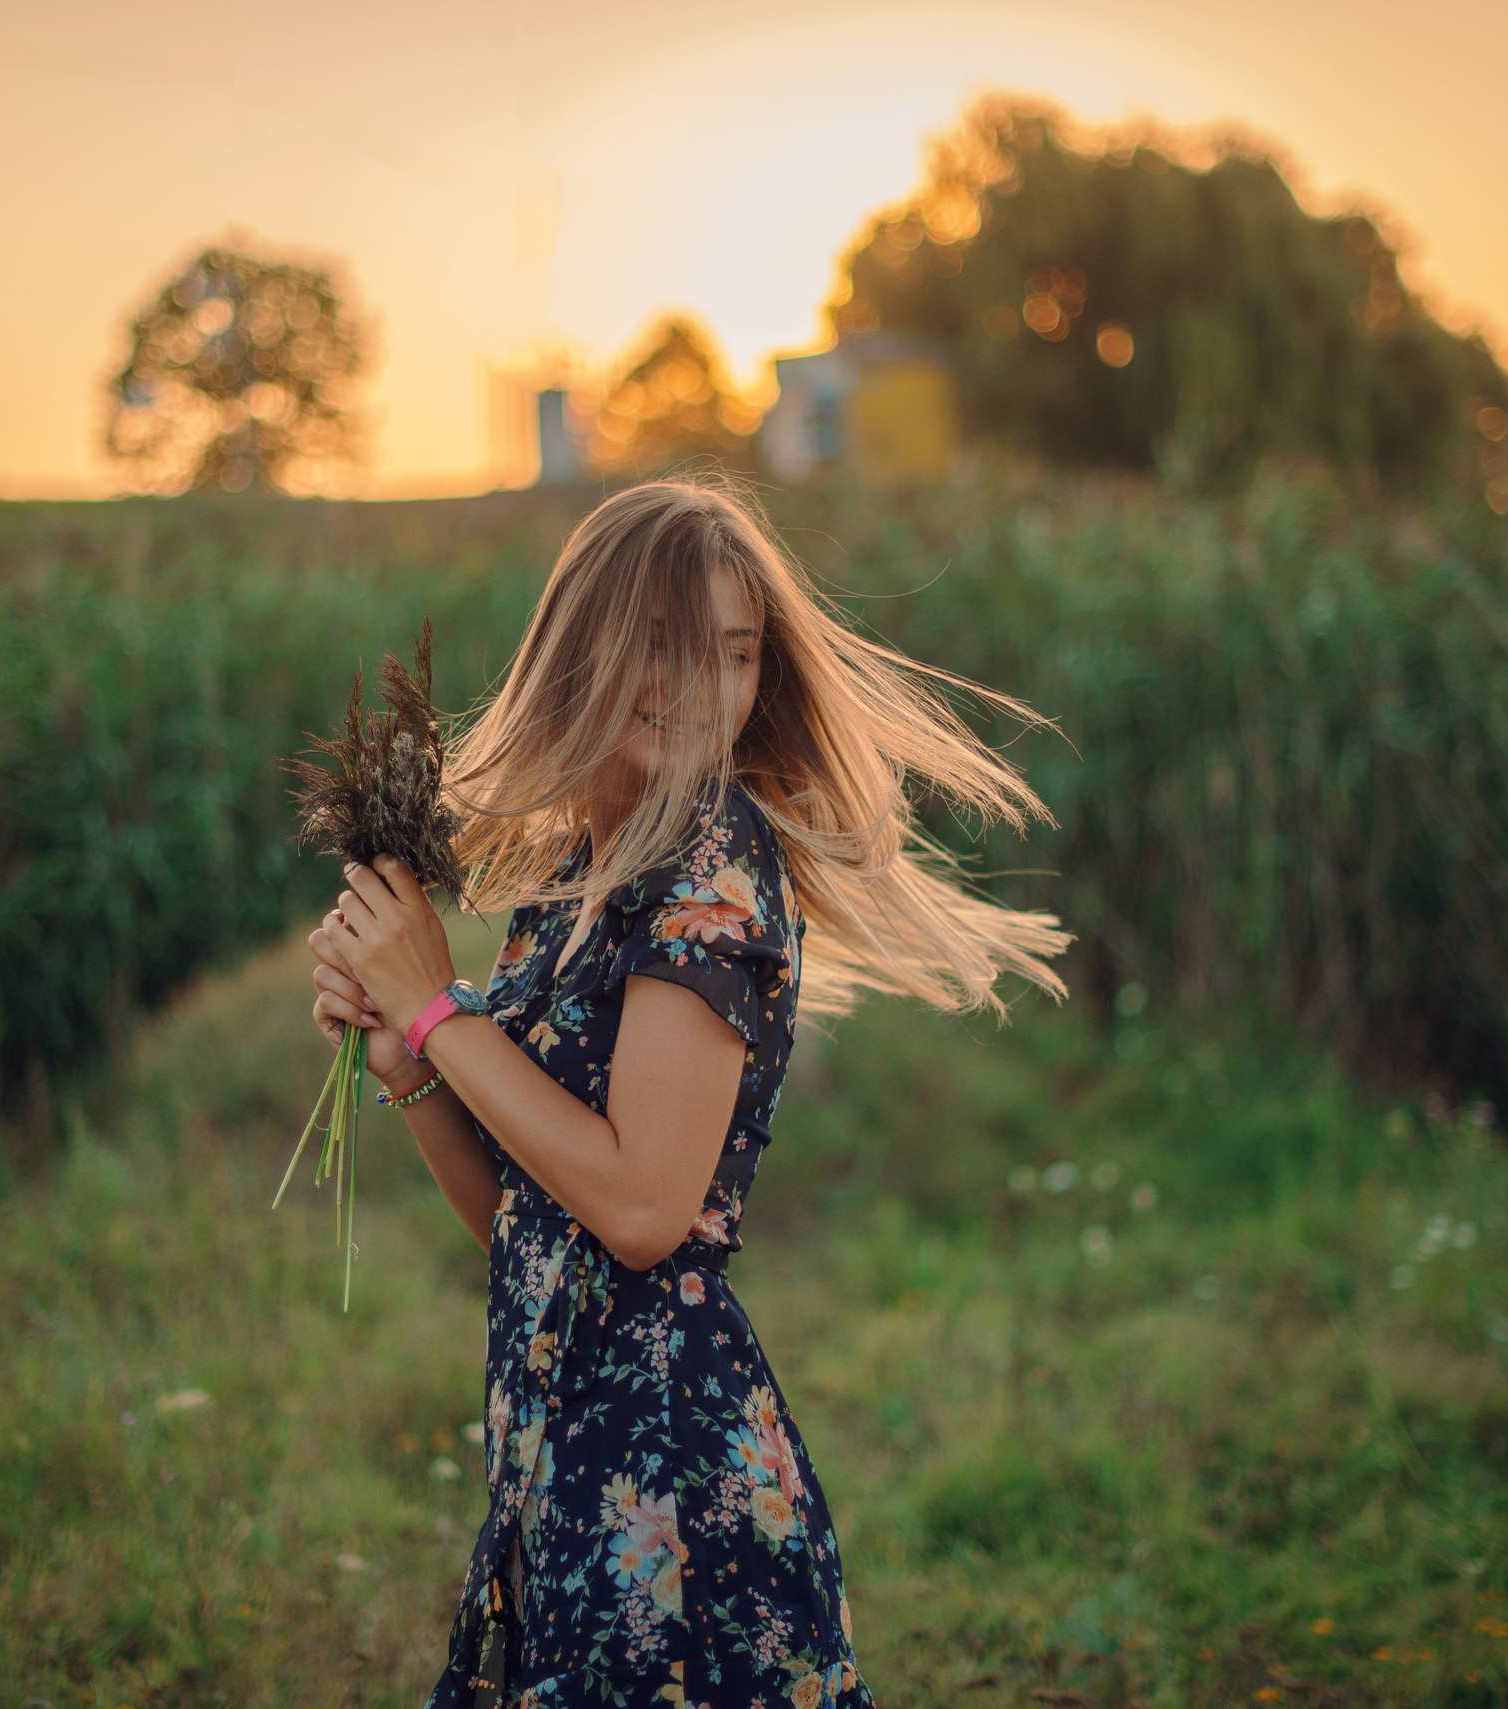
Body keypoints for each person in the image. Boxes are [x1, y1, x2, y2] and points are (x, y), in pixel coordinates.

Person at [307, 478, 1068, 1706]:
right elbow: (530, 1217)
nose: (694, 686)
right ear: (582, 644)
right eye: (660, 643)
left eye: (731, 654)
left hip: (668, 1490)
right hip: (561, 1463)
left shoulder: (710, 857)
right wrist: (415, 1064)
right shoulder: (575, 874)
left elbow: (645, 1208)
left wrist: (441, 1006)